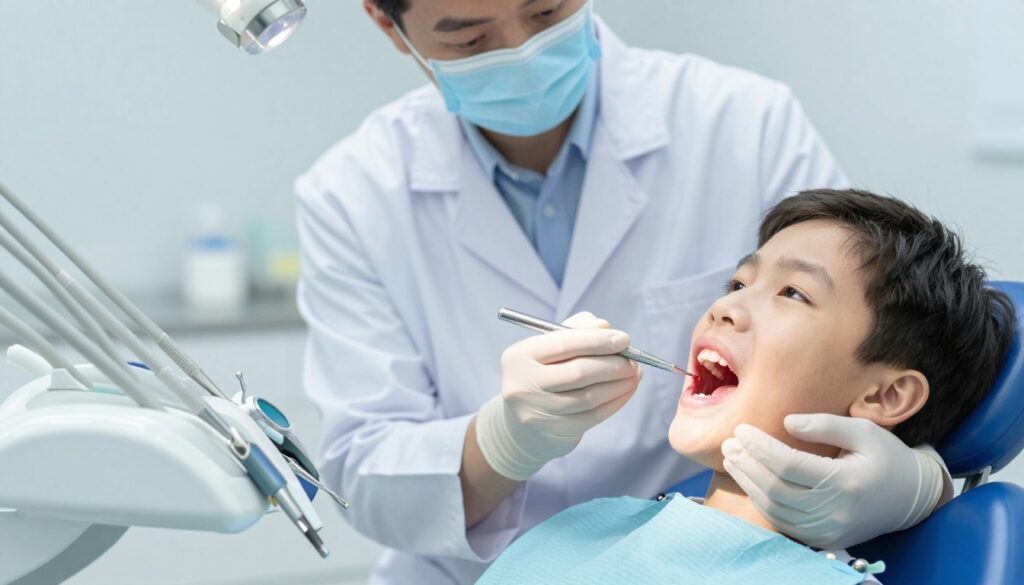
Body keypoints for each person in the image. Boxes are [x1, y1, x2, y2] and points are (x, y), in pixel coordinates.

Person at [294, 2, 952, 582]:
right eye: (470, 39)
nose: (523, 51)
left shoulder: (745, 124)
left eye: (546, 11)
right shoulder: (351, 195)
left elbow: (876, 318)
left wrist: (921, 481)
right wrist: (499, 442)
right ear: (388, 23)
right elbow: (364, 472)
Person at [477, 189, 1016, 584]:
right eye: (737, 283)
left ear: (884, 396)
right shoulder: (591, 524)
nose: (725, 306)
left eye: (792, 293)